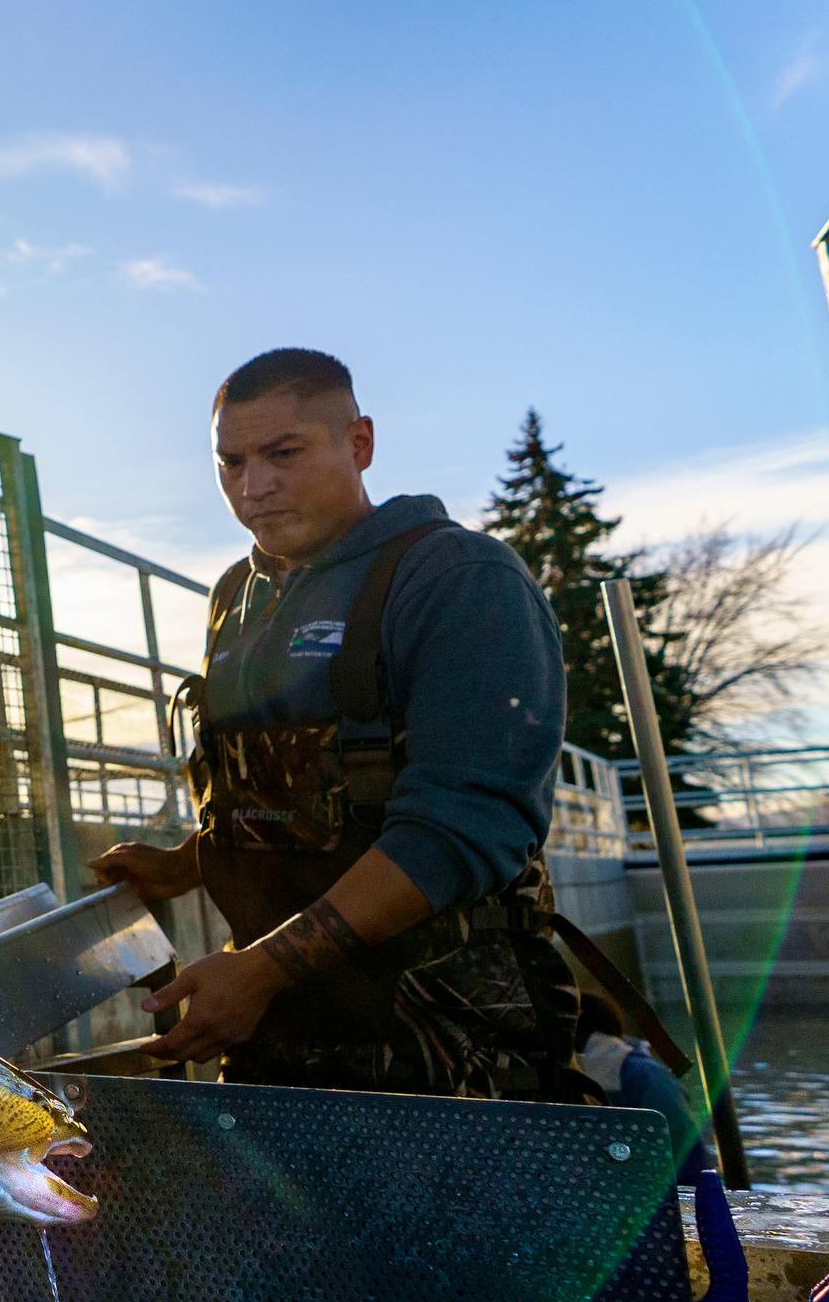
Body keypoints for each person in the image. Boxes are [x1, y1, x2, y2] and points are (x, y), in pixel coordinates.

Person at [92, 350, 590, 1097]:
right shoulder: (237, 594)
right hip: (274, 1039)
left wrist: (259, 969)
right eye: (231, 463)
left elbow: (459, 832)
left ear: (359, 444)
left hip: (450, 1050)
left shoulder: (460, 579)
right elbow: (306, 799)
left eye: (282, 454)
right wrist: (187, 862)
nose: (253, 488)